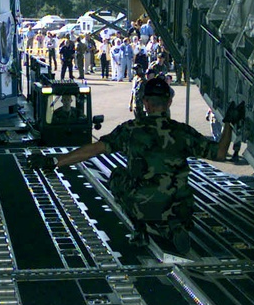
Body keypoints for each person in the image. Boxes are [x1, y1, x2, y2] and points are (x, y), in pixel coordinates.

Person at [30, 77, 242, 255]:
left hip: (144, 203)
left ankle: (140, 227)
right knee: (178, 189)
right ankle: (172, 227)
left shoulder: (131, 130)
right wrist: (228, 124)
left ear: (146, 104)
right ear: (168, 103)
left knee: (117, 176)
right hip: (180, 207)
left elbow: (94, 149)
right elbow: (221, 153)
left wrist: (55, 161)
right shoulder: (183, 132)